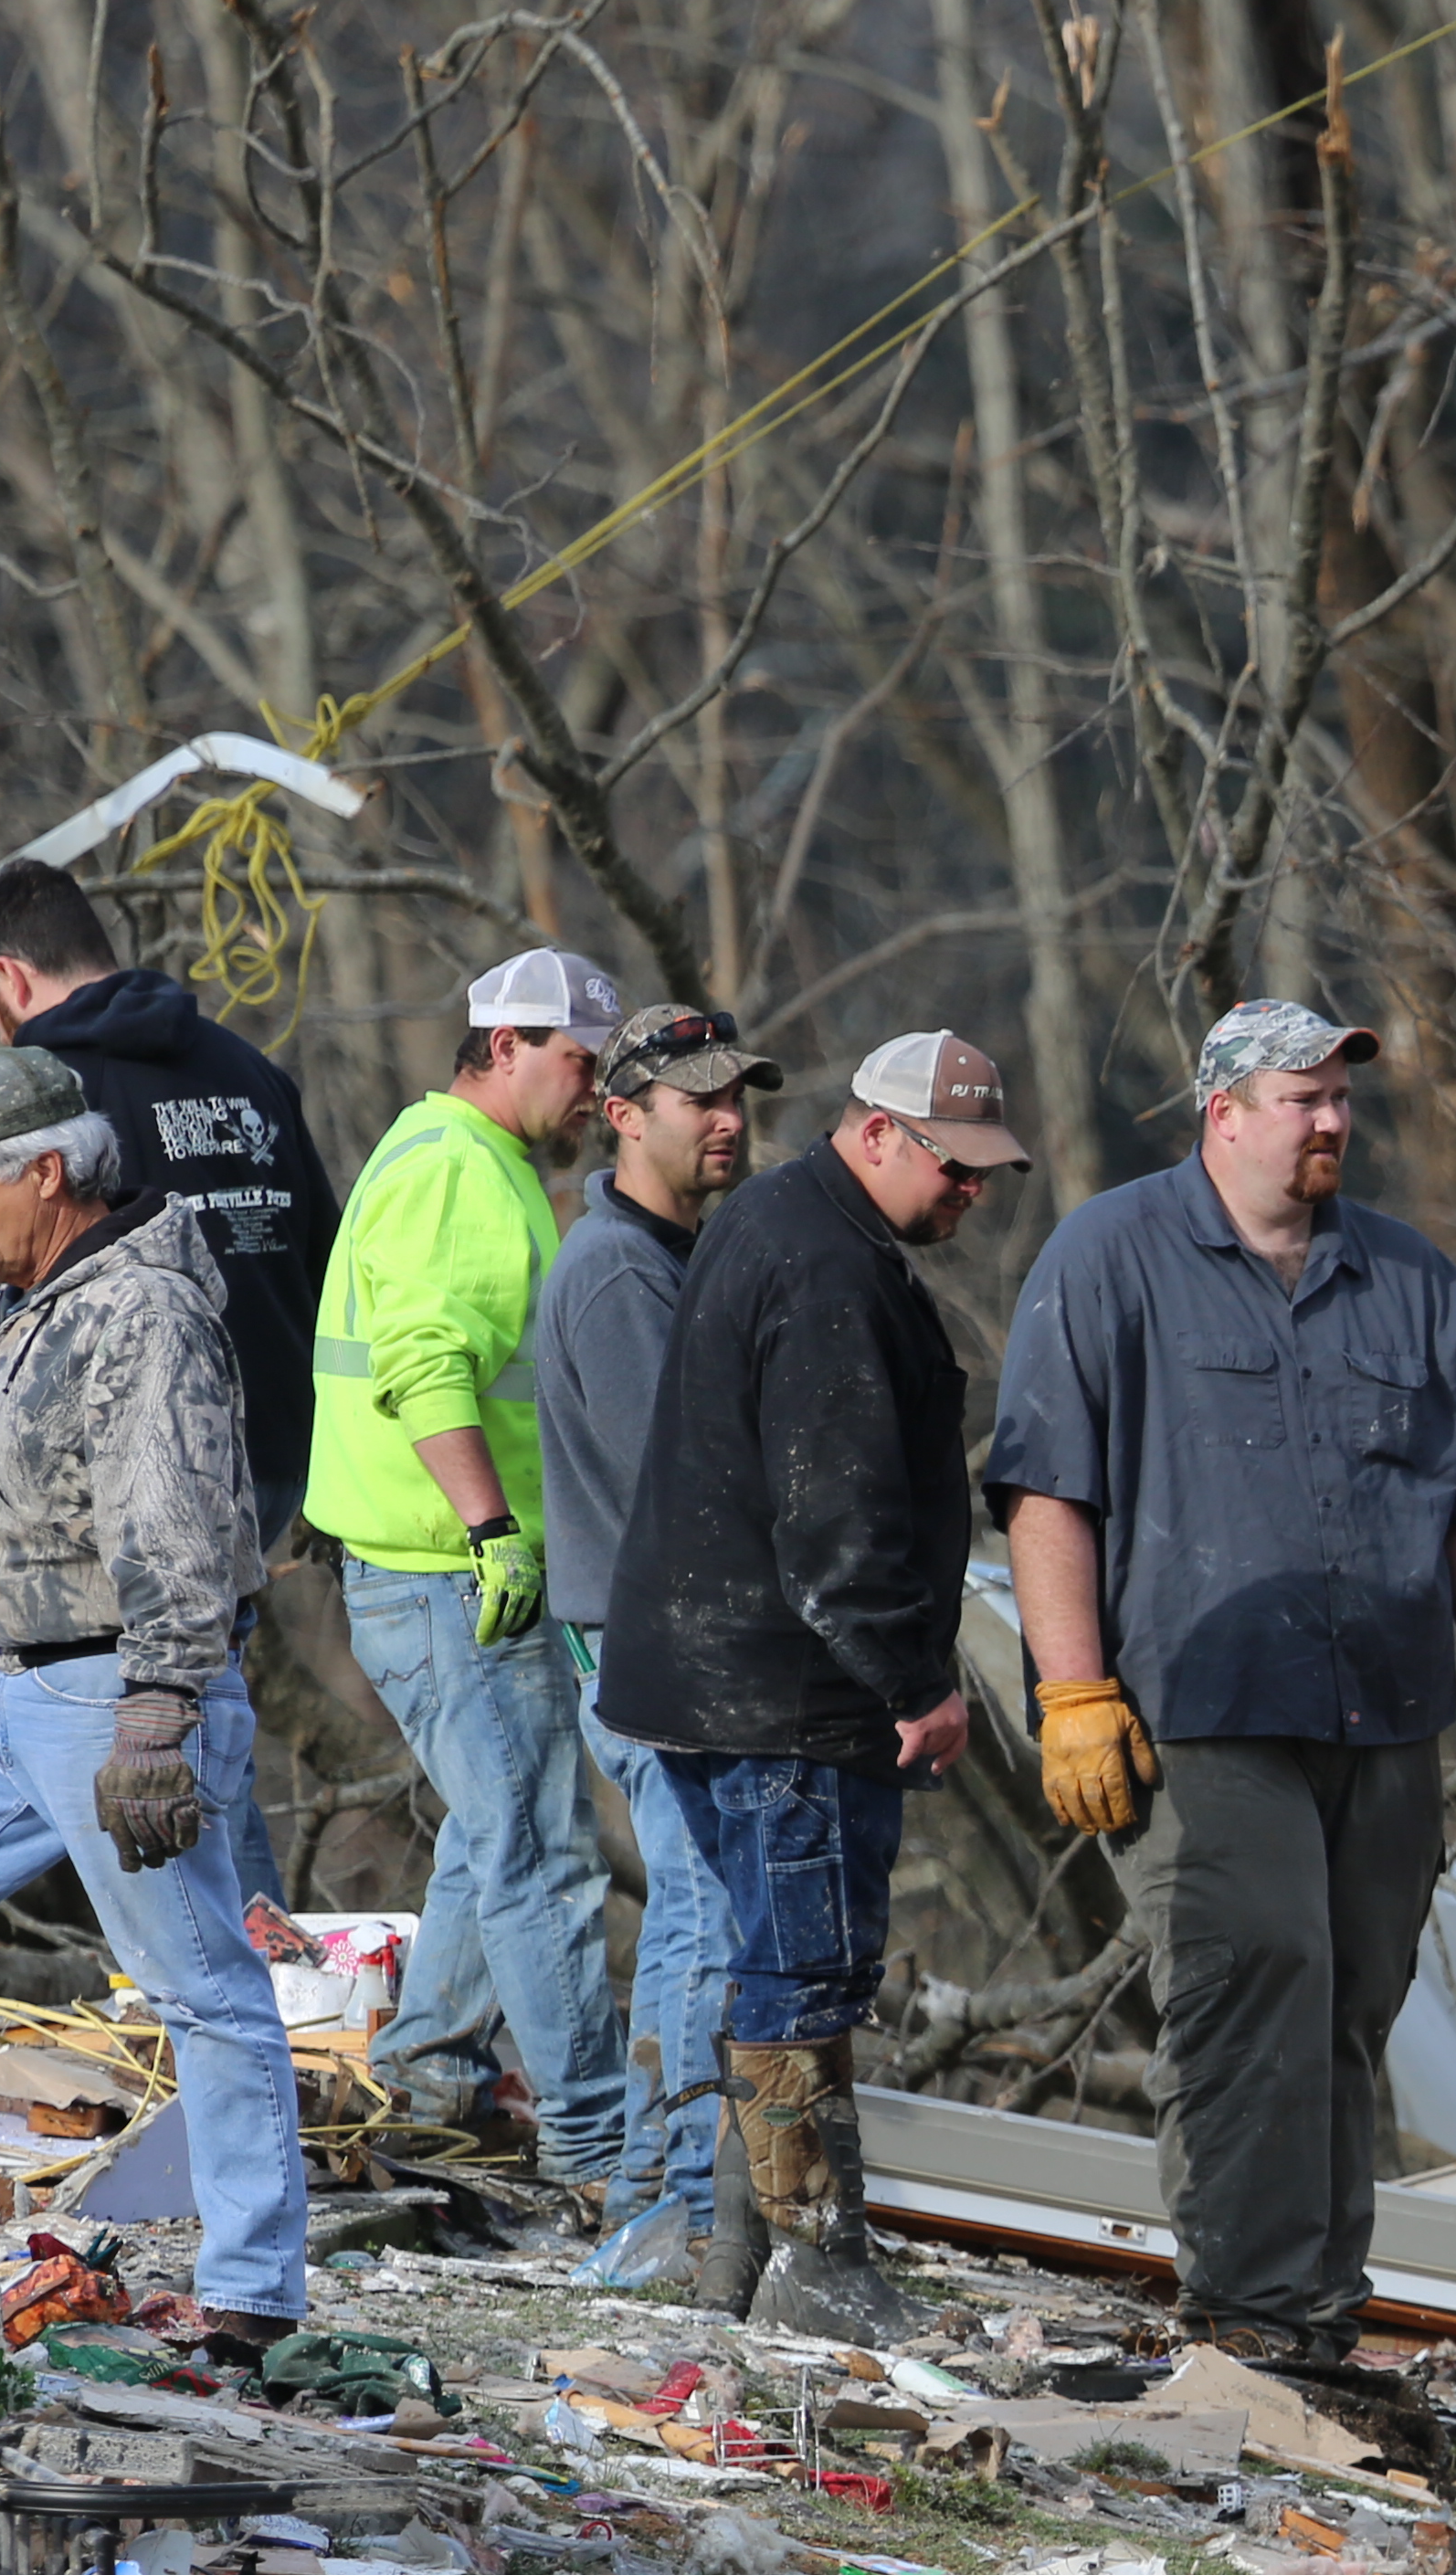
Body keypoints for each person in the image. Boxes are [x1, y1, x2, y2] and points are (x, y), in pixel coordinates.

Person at [983, 997, 1456, 2366]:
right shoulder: (1114, 1256)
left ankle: (1318, 2310)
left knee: (1354, 2001)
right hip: (1198, 1711)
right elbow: (1044, 1492)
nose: (1331, 1124)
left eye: (1341, 1100)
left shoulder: (1410, 1278)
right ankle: (1250, 2317)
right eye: (1303, 1099)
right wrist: (1073, 1690)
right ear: (1225, 1113)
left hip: (1381, 1714)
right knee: (1256, 1981)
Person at [0, 1047, 305, 2321]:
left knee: (203, 1990)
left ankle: (256, 2296)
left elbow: (175, 1523)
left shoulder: (139, 1310)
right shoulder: (48, 1284)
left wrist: (160, 1705)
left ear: (48, 1172)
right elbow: (48, 1501)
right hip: (8, 1691)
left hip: (116, 1698)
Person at [598, 1030, 1021, 2333]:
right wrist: (917, 1683)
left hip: (709, 1673)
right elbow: (835, 1526)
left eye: (985, 1171)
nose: (972, 1192)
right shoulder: (830, 1265)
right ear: (877, 1132)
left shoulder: (777, 1220)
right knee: (806, 1973)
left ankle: (740, 2260)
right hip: (790, 1694)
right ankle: (819, 2266)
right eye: (953, 1167)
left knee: (768, 1964)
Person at [306, 947, 638, 2205]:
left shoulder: (466, 1159)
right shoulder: (455, 1171)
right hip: (451, 1571)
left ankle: (433, 2081)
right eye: (578, 1062)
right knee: (541, 1855)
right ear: (503, 1047)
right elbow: (429, 1366)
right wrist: (494, 1527)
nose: (592, 1089)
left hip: (439, 1568)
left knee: (491, 1843)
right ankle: (596, 2149)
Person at [529, 1001, 766, 2290]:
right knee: (702, 1913)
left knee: (697, 1907)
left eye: (738, 1095)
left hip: (662, 1642)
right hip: (651, 1648)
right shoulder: (621, 1273)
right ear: (624, 1118)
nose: (727, 1119)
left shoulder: (668, 1256)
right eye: (697, 1101)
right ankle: (673, 2209)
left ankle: (641, 2200)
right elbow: (687, 1485)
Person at [0, 859, 342, 1554]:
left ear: (10, 978)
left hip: (154, 1463)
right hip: (287, 1451)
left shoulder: (49, 1106)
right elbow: (329, 1263)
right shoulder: (248, 1067)